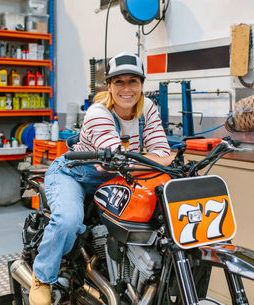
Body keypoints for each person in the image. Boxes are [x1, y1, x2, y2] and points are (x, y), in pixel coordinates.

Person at [29, 52, 172, 305]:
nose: (126, 89)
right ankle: (42, 276)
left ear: (142, 84)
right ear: (109, 85)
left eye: (133, 81)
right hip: (74, 175)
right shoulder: (98, 112)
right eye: (119, 82)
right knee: (68, 220)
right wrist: (153, 159)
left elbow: (162, 152)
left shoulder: (148, 108)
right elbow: (122, 158)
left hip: (117, 176)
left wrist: (156, 159)